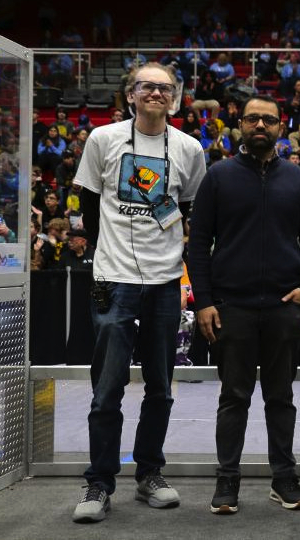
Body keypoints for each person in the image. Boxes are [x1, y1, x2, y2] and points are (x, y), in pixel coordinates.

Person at [71, 63, 206, 524]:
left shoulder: (188, 148)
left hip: (166, 282)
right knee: (106, 389)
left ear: (176, 96)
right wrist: (105, 258)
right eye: (147, 86)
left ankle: (149, 473)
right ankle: (99, 482)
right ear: (130, 94)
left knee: (161, 388)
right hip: (114, 280)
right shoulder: (102, 139)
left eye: (164, 87)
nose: (156, 93)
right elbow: (90, 205)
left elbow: (188, 210)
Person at [188, 95, 300, 514]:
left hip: (285, 307)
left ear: (281, 127)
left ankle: (284, 479)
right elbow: (198, 245)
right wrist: (206, 301)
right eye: (252, 119)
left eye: (268, 119)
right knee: (234, 397)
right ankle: (227, 481)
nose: (260, 125)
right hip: (233, 308)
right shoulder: (218, 176)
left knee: (281, 398)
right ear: (240, 126)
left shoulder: (297, 179)